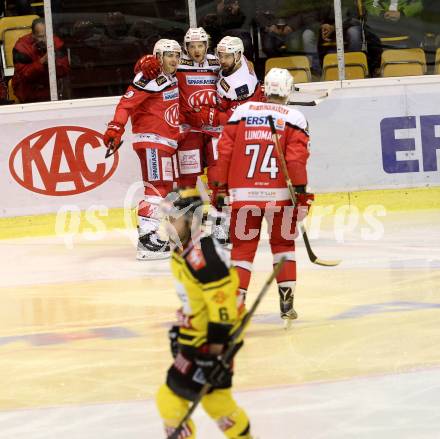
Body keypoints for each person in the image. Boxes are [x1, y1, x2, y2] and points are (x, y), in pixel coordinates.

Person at [209, 68, 314, 324]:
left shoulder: (242, 112)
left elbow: (223, 153)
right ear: (288, 90)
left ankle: (236, 304)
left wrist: (218, 188)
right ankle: (287, 302)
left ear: (265, 88)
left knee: (243, 250)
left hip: (244, 195)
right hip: (280, 198)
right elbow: (296, 162)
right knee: (283, 246)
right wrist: (302, 194)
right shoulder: (296, 117)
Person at [156, 187, 252, 439]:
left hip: (210, 342)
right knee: (217, 402)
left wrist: (214, 353)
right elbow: (196, 302)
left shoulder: (203, 256)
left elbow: (222, 309)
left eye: (172, 218)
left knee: (169, 399)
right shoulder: (183, 252)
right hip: (203, 338)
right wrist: (181, 330)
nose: (167, 225)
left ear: (191, 219)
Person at [103, 39, 181, 260]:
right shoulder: (149, 77)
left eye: (176, 54)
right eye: (168, 55)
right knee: (156, 190)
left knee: (163, 189)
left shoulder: (171, 76)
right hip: (152, 140)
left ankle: (151, 237)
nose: (174, 59)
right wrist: (115, 127)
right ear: (158, 57)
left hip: (164, 142)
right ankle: (147, 242)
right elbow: (126, 103)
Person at [12, 18, 69, 103]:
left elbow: (65, 70)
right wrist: (41, 62)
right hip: (28, 93)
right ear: (33, 35)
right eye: (41, 36)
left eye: (47, 35)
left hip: (51, 91)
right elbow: (24, 75)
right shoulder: (21, 46)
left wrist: (55, 63)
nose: (45, 40)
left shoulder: (57, 43)